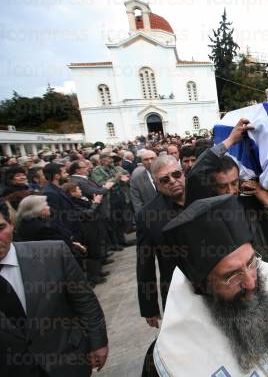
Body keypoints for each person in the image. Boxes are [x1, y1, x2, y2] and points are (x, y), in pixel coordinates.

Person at [152, 195, 268, 376]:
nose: (251, 283)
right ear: (202, 286)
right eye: (231, 275)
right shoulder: (173, 358)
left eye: (251, 262)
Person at [0, 199, 109, 376]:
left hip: (67, 361)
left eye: (0, 229)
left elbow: (85, 301)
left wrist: (98, 342)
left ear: (11, 225)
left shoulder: (53, 253)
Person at [136, 155, 186, 328]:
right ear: (156, 184)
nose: (172, 181)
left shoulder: (202, 197)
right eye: (165, 179)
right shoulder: (147, 215)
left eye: (176, 175)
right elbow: (145, 263)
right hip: (178, 293)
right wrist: (149, 307)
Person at [130, 150, 158, 215]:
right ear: (142, 162)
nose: (150, 162)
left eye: (152, 158)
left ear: (157, 159)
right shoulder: (136, 180)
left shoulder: (168, 173)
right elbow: (137, 205)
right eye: (146, 159)